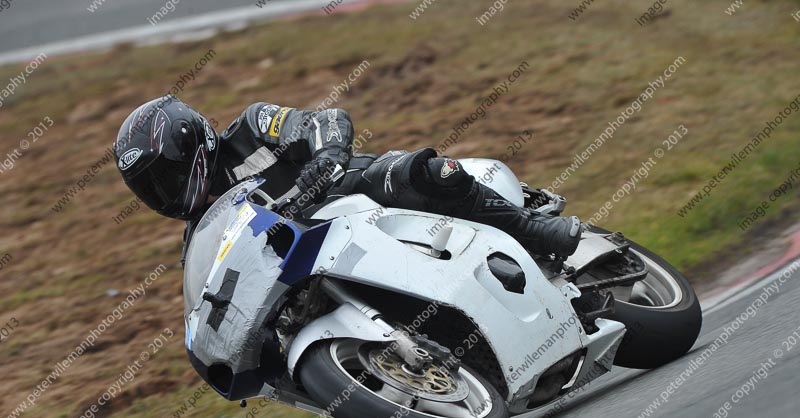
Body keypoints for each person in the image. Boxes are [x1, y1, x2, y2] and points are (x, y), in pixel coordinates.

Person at [113, 96, 582, 262]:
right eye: (147, 188)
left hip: (351, 189)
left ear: (191, 144)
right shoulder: (200, 236)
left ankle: (530, 227)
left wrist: (328, 154)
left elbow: (322, 119)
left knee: (434, 171)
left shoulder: (253, 127)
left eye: (163, 177)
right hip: (317, 256)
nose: (161, 194)